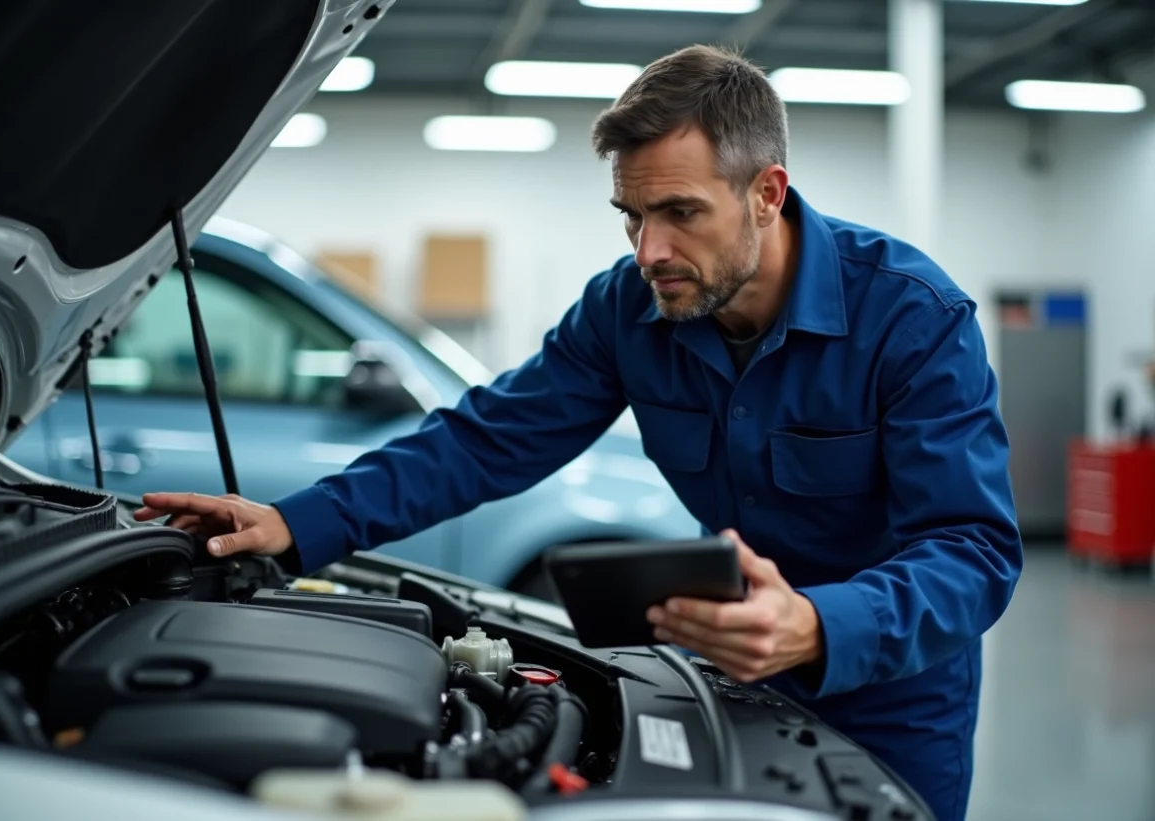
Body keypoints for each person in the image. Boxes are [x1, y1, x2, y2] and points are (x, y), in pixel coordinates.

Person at [136, 44, 1022, 821]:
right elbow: (486, 437)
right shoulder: (627, 310)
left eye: (679, 212)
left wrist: (821, 625)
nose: (649, 251)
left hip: (889, 693)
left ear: (766, 193)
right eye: (632, 217)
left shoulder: (913, 318)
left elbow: (974, 551)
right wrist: (300, 523)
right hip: (718, 667)